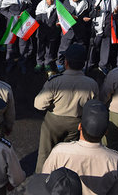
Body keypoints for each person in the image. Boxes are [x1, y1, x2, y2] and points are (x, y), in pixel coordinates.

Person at [41, 99, 118, 195]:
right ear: (106, 132)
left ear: (80, 127)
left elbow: (45, 179)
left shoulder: (60, 151)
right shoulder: (116, 160)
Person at [33, 43, 98, 173]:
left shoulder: (55, 81)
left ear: (66, 62)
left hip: (54, 121)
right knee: (68, 155)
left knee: (45, 153)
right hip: (76, 122)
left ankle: (41, 180)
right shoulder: (91, 84)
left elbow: (39, 104)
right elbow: (94, 107)